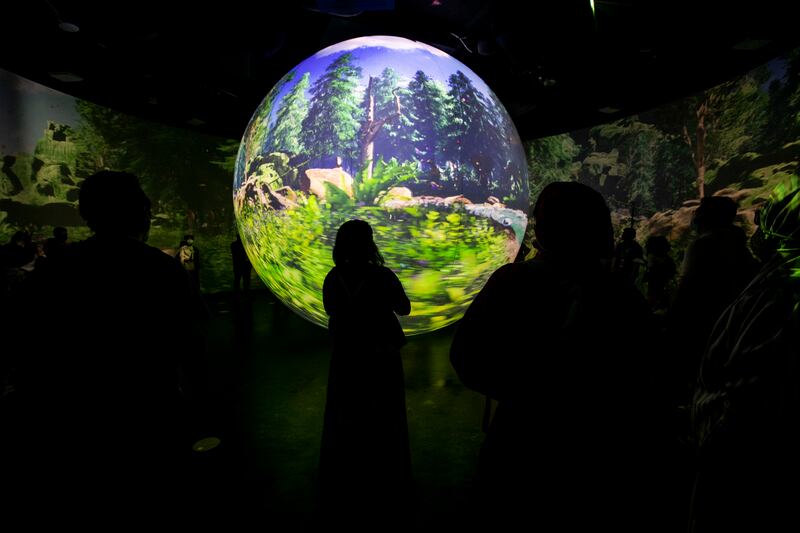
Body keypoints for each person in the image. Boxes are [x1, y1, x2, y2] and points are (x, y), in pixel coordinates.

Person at [450, 181, 673, 532]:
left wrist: (526, 389)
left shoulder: (512, 282)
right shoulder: (620, 293)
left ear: (543, 226)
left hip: (521, 446)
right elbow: (650, 369)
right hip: (603, 455)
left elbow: (467, 358)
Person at [7, 170, 207, 519]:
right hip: (149, 415)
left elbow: (28, 343)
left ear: (87, 212)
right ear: (140, 211)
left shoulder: (56, 270)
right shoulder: (162, 270)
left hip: (76, 424)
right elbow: (190, 346)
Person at [690, 187, 800, 533]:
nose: (755, 220)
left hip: (737, 457)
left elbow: (746, 395)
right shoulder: (761, 272)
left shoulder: (777, 293)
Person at [318, 219, 412, 530]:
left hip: (346, 356)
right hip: (381, 354)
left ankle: (347, 473)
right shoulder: (382, 276)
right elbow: (405, 308)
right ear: (369, 244)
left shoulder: (333, 278)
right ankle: (386, 472)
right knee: (385, 412)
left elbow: (331, 310)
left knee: (347, 410)